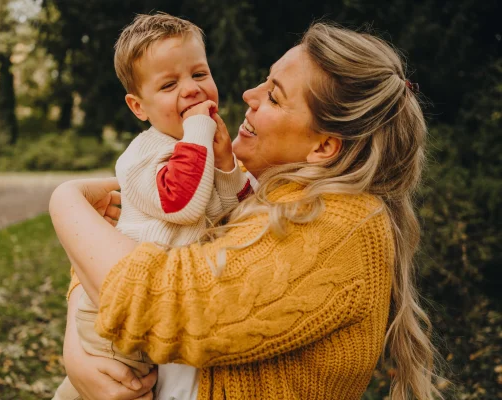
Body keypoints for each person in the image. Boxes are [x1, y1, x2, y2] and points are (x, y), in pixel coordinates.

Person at [50, 22, 445, 400]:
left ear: (323, 147)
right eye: (264, 82)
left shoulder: (340, 225)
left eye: (274, 96)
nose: (248, 95)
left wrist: (65, 202)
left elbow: (157, 298)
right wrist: (78, 345)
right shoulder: (268, 191)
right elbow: (122, 238)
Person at [53, 13, 251, 400]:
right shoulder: (143, 156)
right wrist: (199, 131)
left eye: (199, 74)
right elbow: (183, 206)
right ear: (138, 107)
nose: (192, 90)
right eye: (169, 84)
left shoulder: (202, 150)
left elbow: (232, 207)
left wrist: (226, 163)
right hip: (117, 311)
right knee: (108, 390)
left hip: (158, 305)